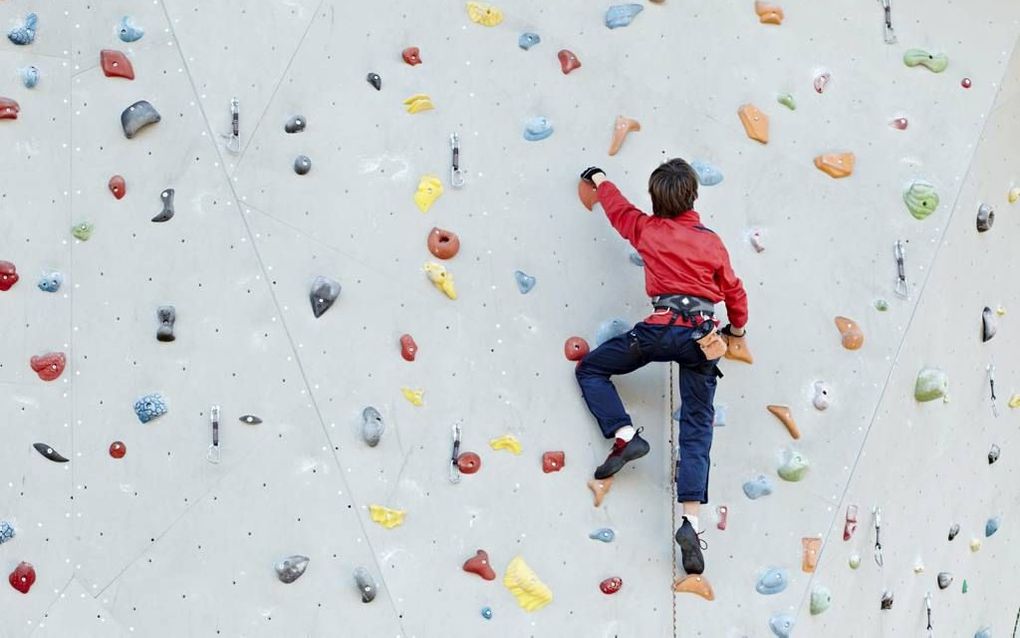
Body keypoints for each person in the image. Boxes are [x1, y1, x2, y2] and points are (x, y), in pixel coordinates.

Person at [575, 159, 748, 575]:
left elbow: (618, 209)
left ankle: (624, 434)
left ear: (655, 199)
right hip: (702, 337)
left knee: (591, 370)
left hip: (659, 329)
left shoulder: (647, 229)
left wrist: (598, 179)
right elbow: (734, 291)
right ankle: (690, 520)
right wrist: (737, 331)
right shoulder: (711, 243)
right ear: (693, 196)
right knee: (697, 425)